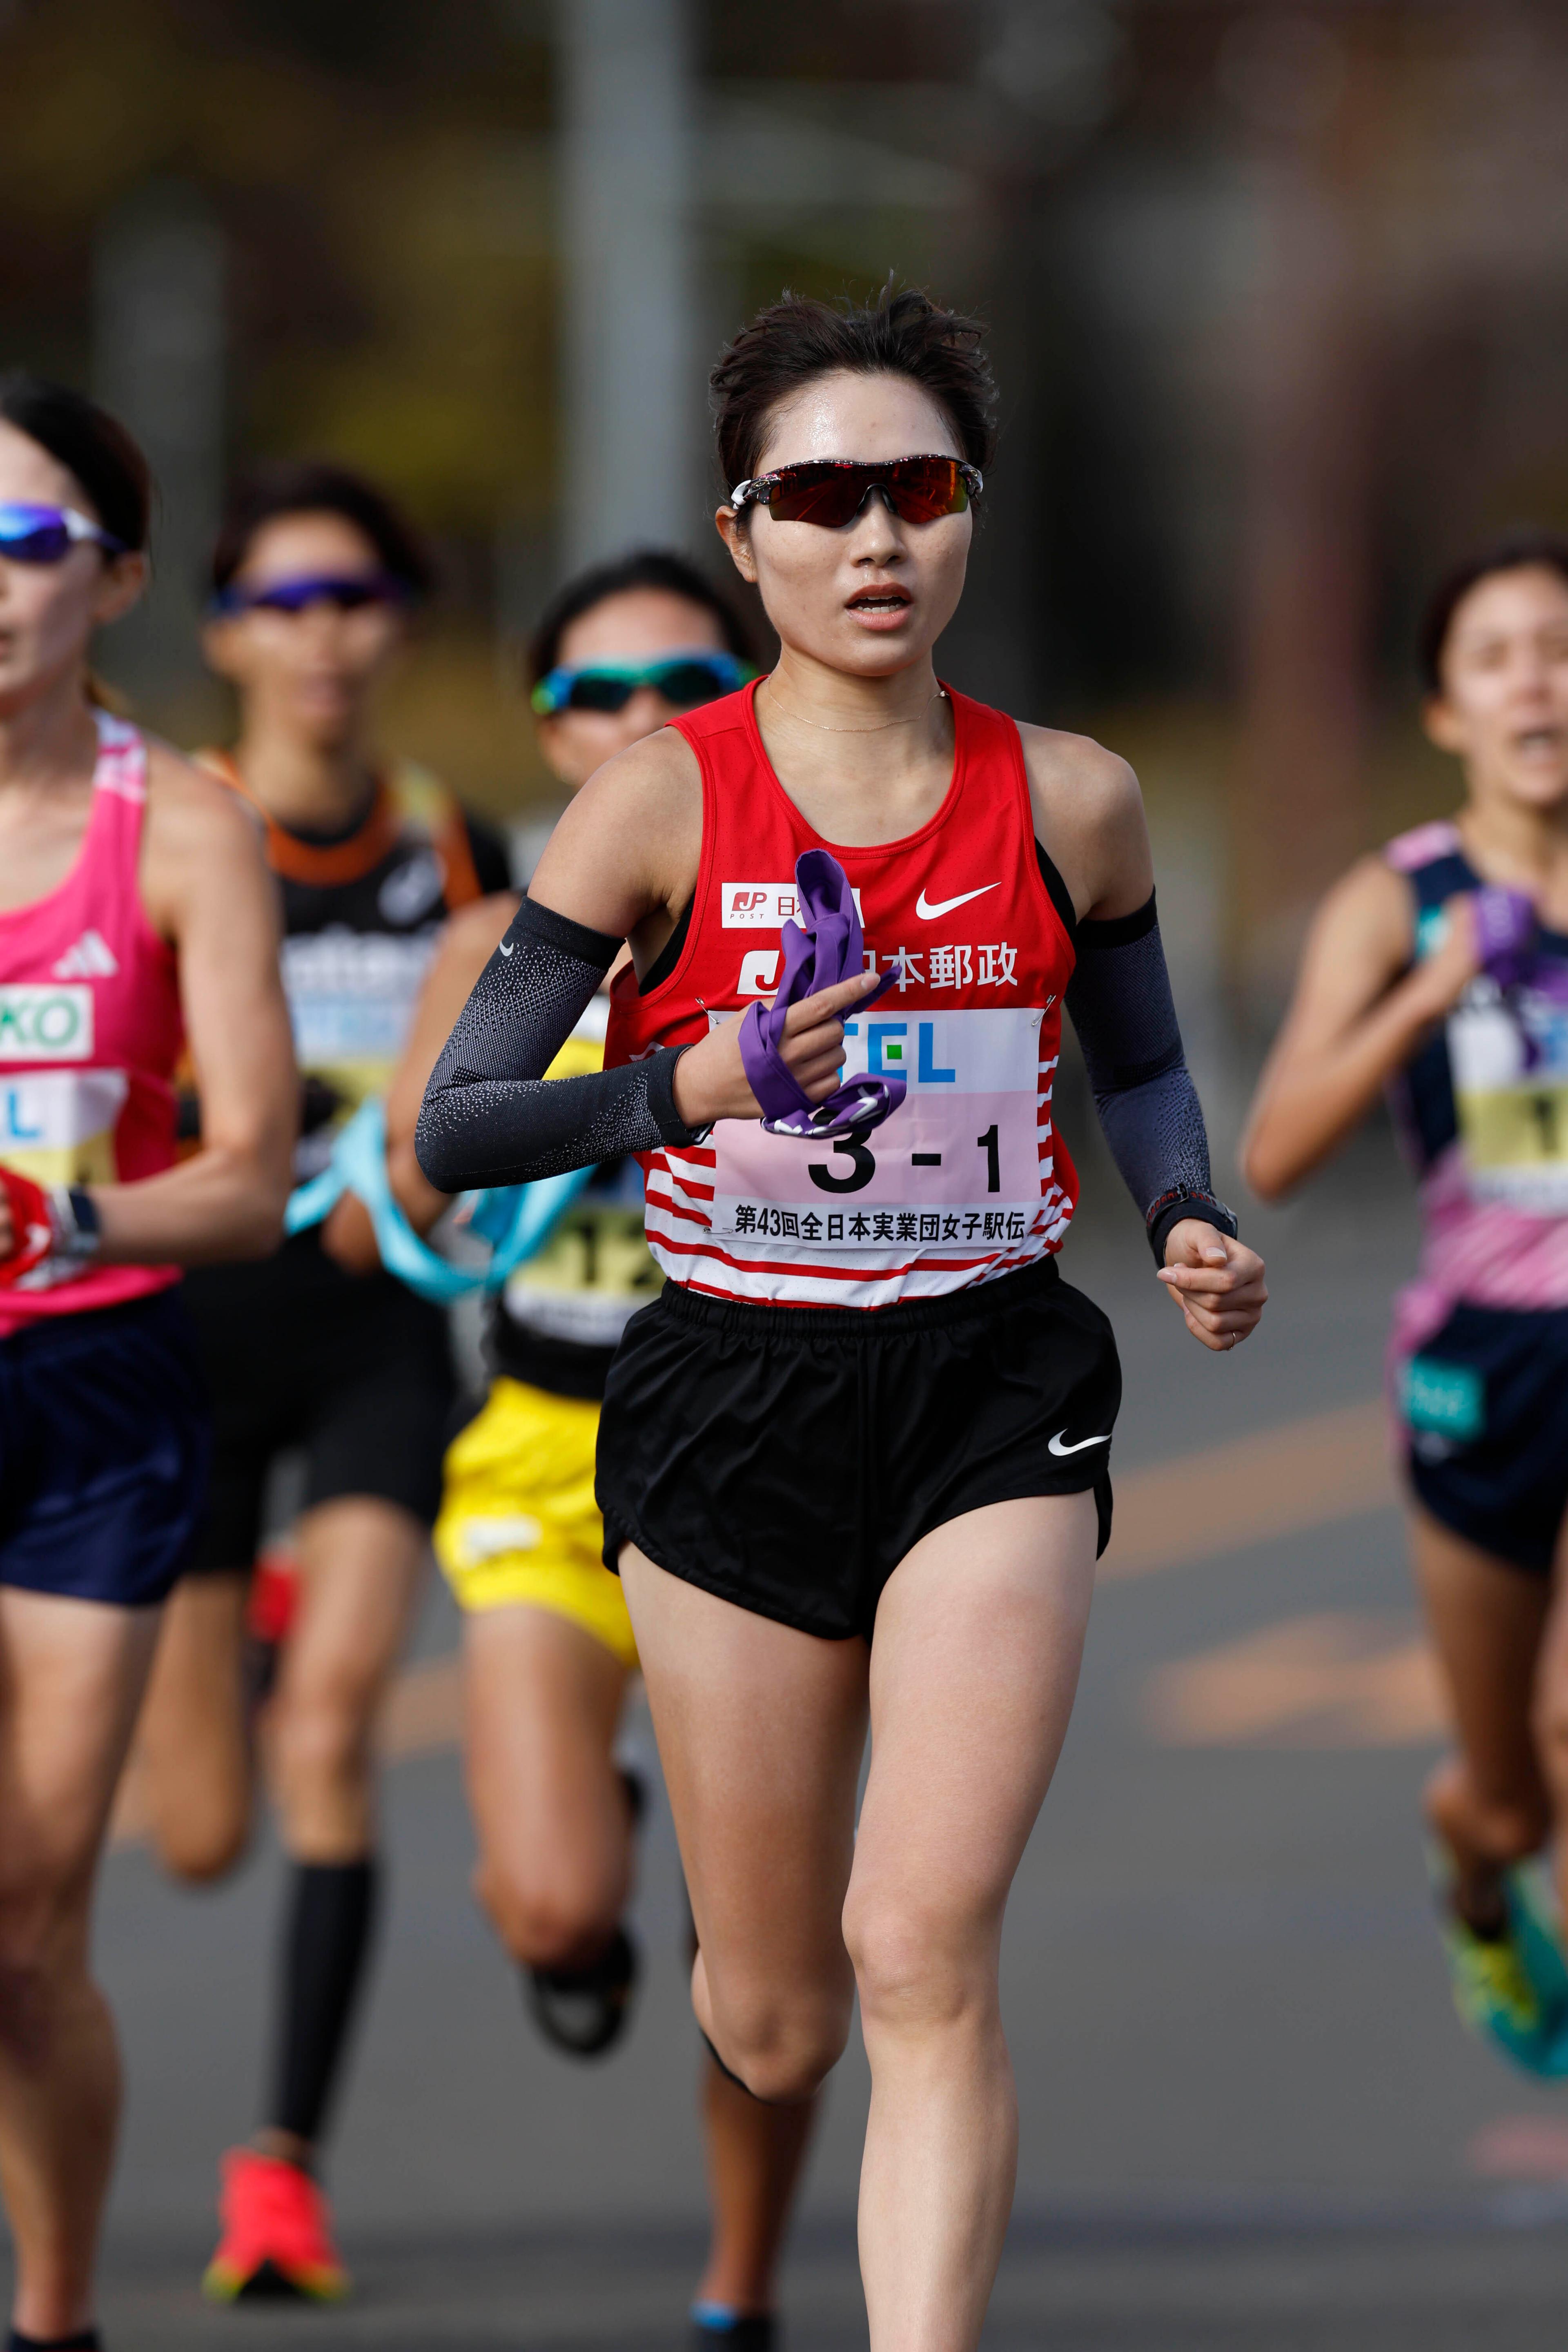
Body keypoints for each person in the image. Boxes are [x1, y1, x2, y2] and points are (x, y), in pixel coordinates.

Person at [413, 288, 1268, 2352]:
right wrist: (686, 1088)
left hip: (993, 1385)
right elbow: (459, 1125)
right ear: (746, 534)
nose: (874, 538)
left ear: (968, 513)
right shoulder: (656, 803)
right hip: (726, 1394)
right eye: (822, 497)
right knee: (783, 2019)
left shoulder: (1074, 799)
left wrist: (1185, 1215)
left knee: (924, 1943)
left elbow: (1141, 1068)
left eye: (918, 488)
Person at [347, 548, 810, 2349]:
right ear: (547, 735)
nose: (633, 722)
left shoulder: (799, 908)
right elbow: (413, 1165)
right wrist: (598, 1060)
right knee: (550, 1906)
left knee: (755, 1949)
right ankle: (586, 1865)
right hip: (547, 1451)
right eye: (589, 699)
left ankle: (741, 2290)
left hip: (766, 1434)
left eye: (673, 681)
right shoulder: (498, 945)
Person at [125, 461, 510, 2301]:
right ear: (219, 633)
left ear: (399, 626)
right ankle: (253, 1619)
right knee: (198, 1833)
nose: (321, 635)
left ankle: (281, 2171)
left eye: (353, 596)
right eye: (281, 602)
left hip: (371, 1332)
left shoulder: (458, 847)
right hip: (181, 1341)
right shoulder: (168, 836)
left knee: (335, 1735)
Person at [0, 373, 295, 2352]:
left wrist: (69, 1219)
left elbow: (258, 1179)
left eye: (24, 541)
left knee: (24, 1928)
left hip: (92, 1404)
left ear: (107, 578)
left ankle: (60, 2313)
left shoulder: (181, 829)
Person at [1243, 532, 1568, 2074]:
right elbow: (1279, 1150)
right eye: (1498, 657)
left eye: (1559, 648)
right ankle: (1477, 1867)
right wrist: (1423, 1001)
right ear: (1446, 711)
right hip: (1481, 1366)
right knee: (1515, 1787)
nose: (1537, 684)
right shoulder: (1396, 902)